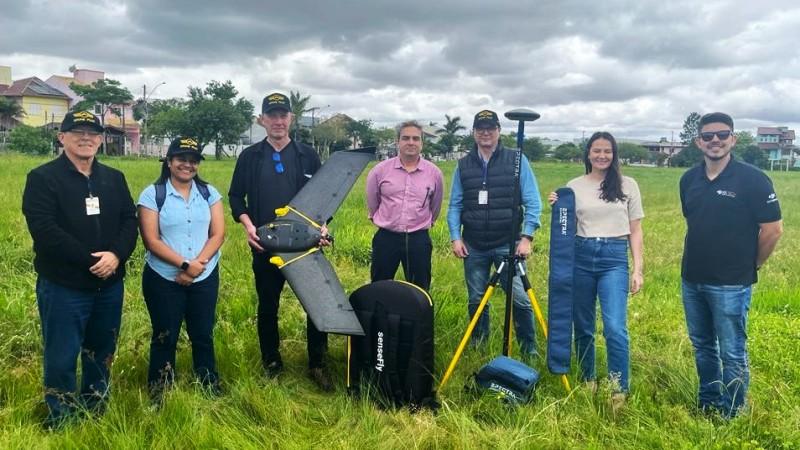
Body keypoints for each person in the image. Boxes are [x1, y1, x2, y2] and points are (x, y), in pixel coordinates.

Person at [22, 110, 138, 428]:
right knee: (61, 354)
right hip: (64, 286)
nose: (86, 138)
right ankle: (61, 418)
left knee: (102, 350)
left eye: (92, 133)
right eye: (78, 132)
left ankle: (94, 408)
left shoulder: (113, 178)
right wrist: (93, 262)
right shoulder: (43, 178)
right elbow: (45, 231)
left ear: (101, 140)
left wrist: (115, 255)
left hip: (109, 286)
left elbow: (130, 220)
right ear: (62, 137)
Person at [680, 112, 782, 418]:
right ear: (699, 141)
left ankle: (733, 411)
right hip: (692, 278)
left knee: (732, 350)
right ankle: (709, 401)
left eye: (722, 135)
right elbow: (693, 221)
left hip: (731, 283)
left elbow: (773, 230)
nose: (715, 141)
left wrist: (752, 266)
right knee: (702, 345)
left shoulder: (753, 179)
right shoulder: (688, 180)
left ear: (733, 139)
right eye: (708, 136)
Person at [228, 92, 333, 391]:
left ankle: (317, 364)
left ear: (291, 119)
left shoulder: (308, 155)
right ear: (261, 120)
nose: (277, 120)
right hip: (266, 248)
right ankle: (272, 362)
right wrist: (248, 226)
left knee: (316, 305)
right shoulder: (250, 157)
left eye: (282, 114)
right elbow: (236, 196)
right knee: (268, 306)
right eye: (271, 115)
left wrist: (322, 228)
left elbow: (324, 198)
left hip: (305, 249)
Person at [548, 131, 644, 411]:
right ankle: (587, 378)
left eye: (607, 151)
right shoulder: (574, 186)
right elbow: (566, 225)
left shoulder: (628, 185)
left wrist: (638, 269)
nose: (602, 156)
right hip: (581, 255)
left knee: (615, 327)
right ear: (588, 153)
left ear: (614, 155)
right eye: (596, 150)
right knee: (584, 326)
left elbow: (636, 230)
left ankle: (618, 388)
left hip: (613, 258)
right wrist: (559, 205)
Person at [447, 109, 542, 356]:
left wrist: (527, 236)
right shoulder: (463, 165)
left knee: (520, 299)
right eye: (481, 129)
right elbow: (455, 204)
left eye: (491, 128)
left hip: (507, 244)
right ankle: (479, 343)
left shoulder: (517, 160)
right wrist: (455, 237)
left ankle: (528, 348)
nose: (486, 133)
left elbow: (533, 201)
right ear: (474, 133)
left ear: (499, 131)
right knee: (476, 299)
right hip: (474, 244)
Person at [137, 137, 225, 404]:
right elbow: (151, 240)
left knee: (202, 333)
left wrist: (197, 267)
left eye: (193, 160)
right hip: (163, 278)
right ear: (169, 161)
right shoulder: (153, 194)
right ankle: (160, 390)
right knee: (165, 335)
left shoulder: (210, 193)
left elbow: (218, 233)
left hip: (205, 275)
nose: (187, 165)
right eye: (181, 159)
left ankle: (208, 383)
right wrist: (185, 265)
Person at [366, 120, 444, 291]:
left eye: (416, 139)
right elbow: (373, 202)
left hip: (418, 239)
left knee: (419, 289)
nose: (411, 142)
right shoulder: (380, 170)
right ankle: (380, 318)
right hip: (386, 238)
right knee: (379, 287)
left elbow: (435, 206)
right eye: (406, 138)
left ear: (422, 143)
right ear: (397, 141)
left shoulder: (434, 173)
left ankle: (417, 318)